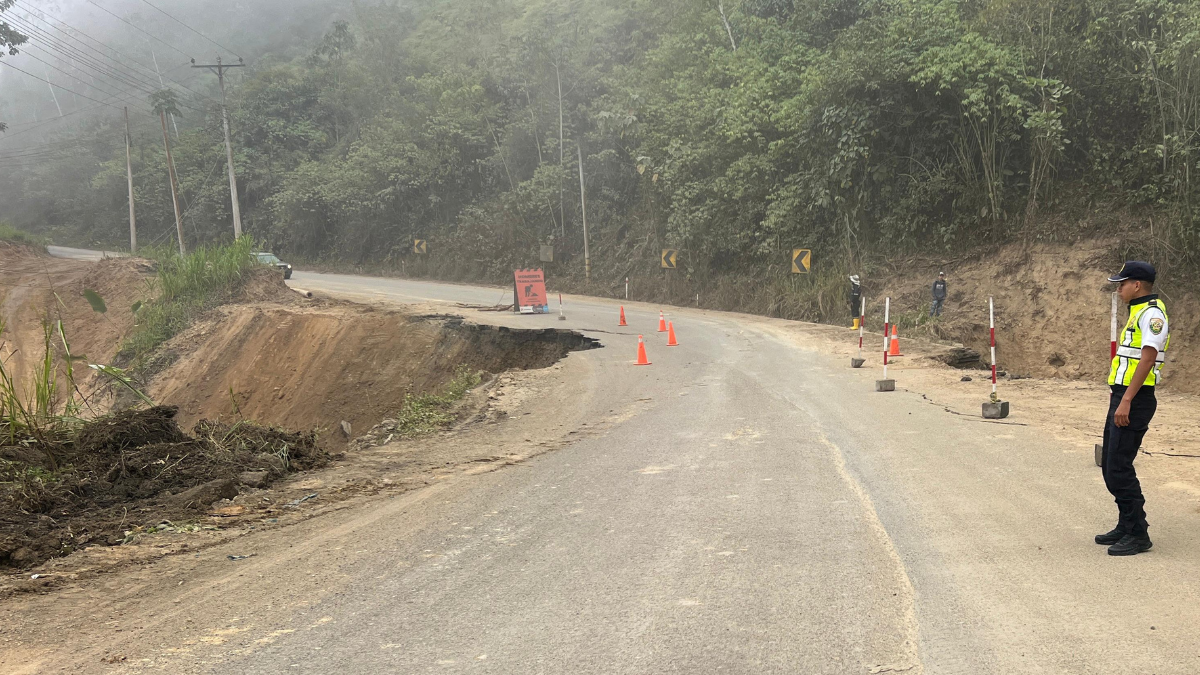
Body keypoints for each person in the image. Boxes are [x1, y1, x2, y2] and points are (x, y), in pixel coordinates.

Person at [1096, 261, 1169, 556]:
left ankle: (1138, 533)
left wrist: (1126, 399)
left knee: (1118, 466)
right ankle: (1126, 524)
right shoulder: (1138, 310)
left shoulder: (1152, 314)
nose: (1119, 288)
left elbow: (1148, 359)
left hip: (1135, 399)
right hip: (1122, 396)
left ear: (1137, 285)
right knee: (1111, 467)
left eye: (1122, 283)